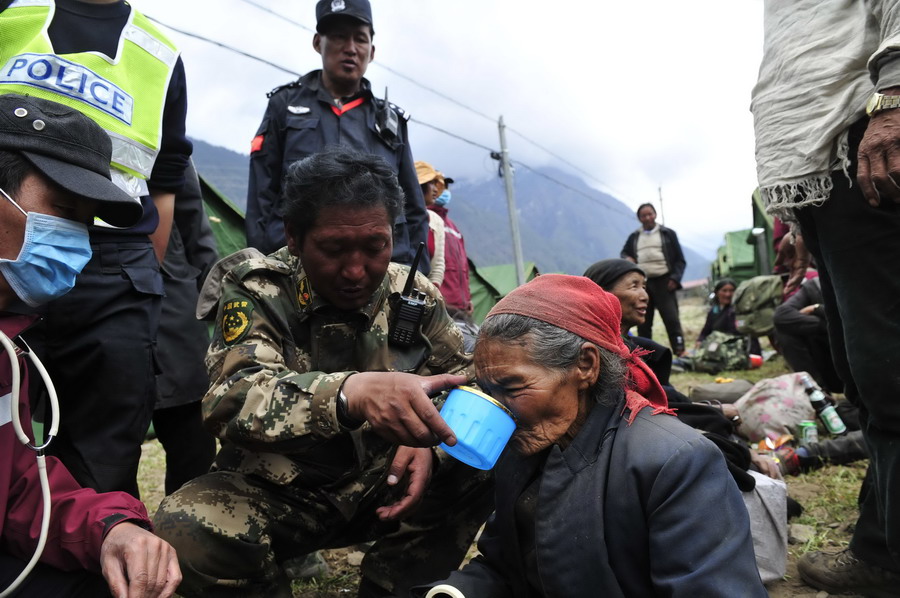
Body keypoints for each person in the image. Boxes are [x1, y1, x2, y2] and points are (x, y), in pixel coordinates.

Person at [153, 147, 493, 598]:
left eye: (375, 248)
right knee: (187, 525)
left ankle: (398, 587)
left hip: (384, 484)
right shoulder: (259, 289)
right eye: (333, 250)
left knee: (481, 459)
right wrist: (349, 393)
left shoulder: (413, 296)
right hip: (285, 494)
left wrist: (427, 442)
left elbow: (468, 381)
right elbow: (232, 399)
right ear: (294, 237)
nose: (355, 271)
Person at [413, 274, 766, 597]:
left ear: (585, 365)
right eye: (490, 391)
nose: (500, 409)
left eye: (512, 387)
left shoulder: (676, 463)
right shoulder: (523, 448)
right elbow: (506, 565)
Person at [0, 0, 192, 496]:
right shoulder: (13, 13)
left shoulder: (161, 53)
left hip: (114, 260)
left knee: (102, 460)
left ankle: (93, 560)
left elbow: (165, 179)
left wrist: (140, 272)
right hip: (8, 241)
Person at [0, 93, 180, 598]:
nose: (77, 241)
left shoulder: (10, 344)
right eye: (61, 210)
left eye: (84, 221)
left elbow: (14, 489)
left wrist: (110, 529)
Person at [752, 2, 900, 593]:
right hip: (831, 184)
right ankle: (878, 546)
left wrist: (890, 102)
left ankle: (886, 559)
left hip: (866, 161)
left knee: (890, 375)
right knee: (866, 379)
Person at [245, 0, 429, 275]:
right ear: (318, 42)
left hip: (379, 270)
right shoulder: (284, 106)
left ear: (372, 51)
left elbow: (413, 206)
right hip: (296, 266)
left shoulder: (390, 121)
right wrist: (262, 266)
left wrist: (416, 275)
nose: (351, 49)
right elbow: (261, 195)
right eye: (340, 37)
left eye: (360, 39)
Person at [152, 160, 218, 496]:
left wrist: (219, 299)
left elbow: (194, 222)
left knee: (194, 444)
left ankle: (186, 543)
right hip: (90, 303)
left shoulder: (165, 133)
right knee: (103, 454)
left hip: (172, 302)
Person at [416, 161, 477, 351]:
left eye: (441, 185)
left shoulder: (451, 227)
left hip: (457, 305)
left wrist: (467, 299)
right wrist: (436, 298)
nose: (438, 190)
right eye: (432, 183)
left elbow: (459, 268)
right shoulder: (417, 220)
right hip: (437, 303)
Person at [619, 202, 686, 354]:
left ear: (655, 215)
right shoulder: (635, 237)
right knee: (643, 320)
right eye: (644, 215)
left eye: (650, 214)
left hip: (665, 282)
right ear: (639, 218)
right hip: (644, 284)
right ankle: (644, 354)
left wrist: (675, 279)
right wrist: (628, 258)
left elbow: (680, 260)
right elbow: (624, 253)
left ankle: (680, 350)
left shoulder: (667, 234)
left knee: (671, 318)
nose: (648, 217)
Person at [772, 276, 842, 394]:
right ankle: (817, 392)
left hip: (857, 362)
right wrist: (825, 325)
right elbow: (781, 315)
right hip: (828, 363)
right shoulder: (815, 286)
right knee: (784, 330)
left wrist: (817, 308)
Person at [416, 161, 445, 286]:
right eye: (431, 183)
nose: (436, 189)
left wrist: (432, 291)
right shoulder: (397, 215)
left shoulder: (436, 220)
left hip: (425, 289)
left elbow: (439, 263)